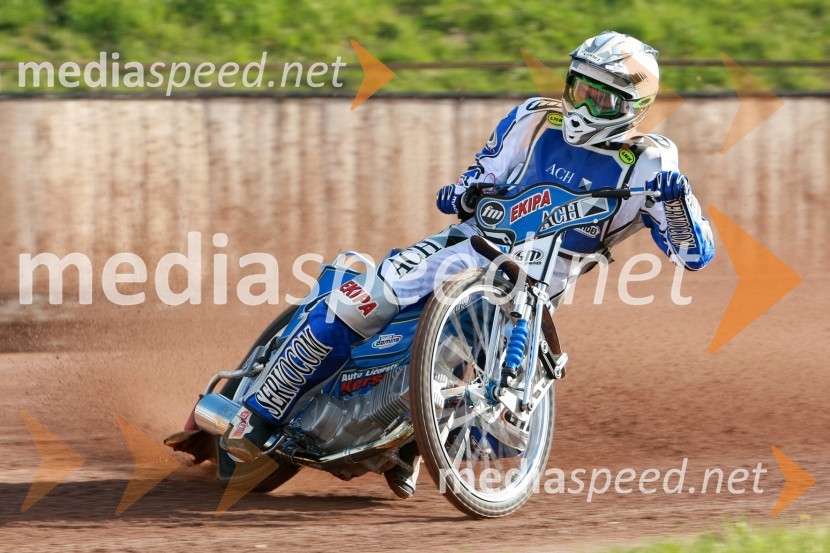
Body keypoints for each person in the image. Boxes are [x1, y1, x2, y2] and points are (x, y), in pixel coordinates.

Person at [223, 30, 715, 498]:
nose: (584, 107)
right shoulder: (535, 118)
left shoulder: (650, 163)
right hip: (467, 248)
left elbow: (694, 255)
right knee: (360, 302)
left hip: (533, 291)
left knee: (489, 408)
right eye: (580, 89)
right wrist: (465, 190)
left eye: (602, 98)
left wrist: (677, 202)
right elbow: (482, 172)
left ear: (634, 108)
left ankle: (407, 444)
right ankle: (262, 409)